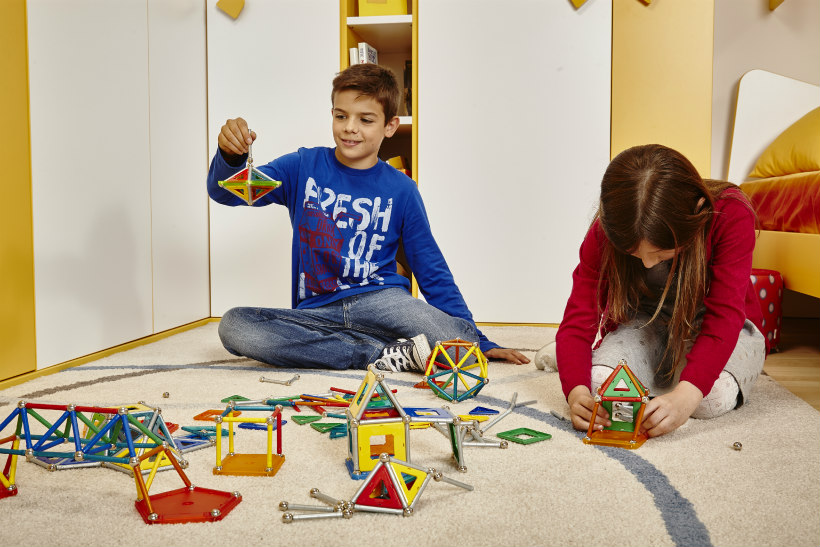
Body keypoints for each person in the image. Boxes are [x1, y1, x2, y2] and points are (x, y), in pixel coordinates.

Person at [207, 63, 528, 373]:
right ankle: (376, 352)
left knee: (465, 352)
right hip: (318, 310)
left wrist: (477, 340)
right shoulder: (302, 166)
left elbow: (430, 266)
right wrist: (231, 156)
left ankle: (358, 347)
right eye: (341, 115)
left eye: (366, 119)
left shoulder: (402, 189)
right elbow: (225, 192)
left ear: (389, 125)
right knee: (235, 326)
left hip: (383, 302)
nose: (350, 127)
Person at [538, 144, 766, 438]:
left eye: (659, 253)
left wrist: (687, 396)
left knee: (709, 399)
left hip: (720, 326)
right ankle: (594, 362)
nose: (646, 263)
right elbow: (579, 318)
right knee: (599, 384)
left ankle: (678, 374)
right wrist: (576, 392)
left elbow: (725, 316)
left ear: (695, 212)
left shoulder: (730, 214)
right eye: (635, 254)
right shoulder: (605, 230)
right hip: (647, 322)